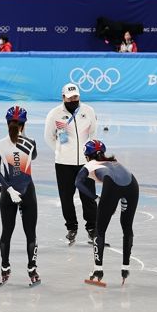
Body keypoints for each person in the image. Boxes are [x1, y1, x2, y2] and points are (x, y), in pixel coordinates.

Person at [76, 139, 139, 285]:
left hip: (112, 186)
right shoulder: (114, 161)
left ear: (87, 155)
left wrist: (94, 197)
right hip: (132, 185)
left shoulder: (90, 164)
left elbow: (78, 182)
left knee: (100, 229)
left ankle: (98, 269)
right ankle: (125, 268)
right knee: (127, 227)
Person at [43, 83, 98, 245]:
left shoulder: (88, 111)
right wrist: (61, 151)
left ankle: (92, 228)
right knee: (66, 198)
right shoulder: (54, 114)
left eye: (76, 97)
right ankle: (71, 227)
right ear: (63, 97)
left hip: (86, 163)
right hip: (63, 164)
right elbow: (48, 137)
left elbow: (93, 133)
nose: (74, 100)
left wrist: (88, 153)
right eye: (70, 97)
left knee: (88, 196)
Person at [0, 106, 40, 286]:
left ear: (7, 123)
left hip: (8, 192)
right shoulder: (31, 142)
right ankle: (32, 269)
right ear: (24, 124)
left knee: (7, 231)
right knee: (31, 234)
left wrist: (10, 189)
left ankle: (5, 267)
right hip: (28, 191)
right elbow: (33, 157)